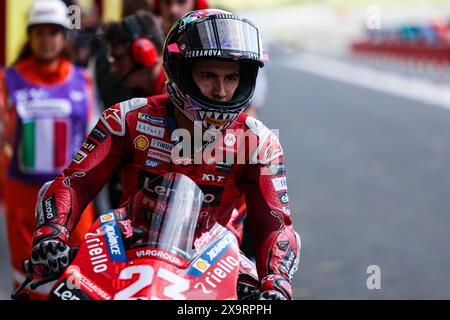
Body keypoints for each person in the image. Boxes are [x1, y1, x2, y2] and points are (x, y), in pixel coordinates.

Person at [29, 9, 300, 300]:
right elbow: (73, 182)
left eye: (231, 77)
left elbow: (277, 223)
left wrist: (276, 282)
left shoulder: (259, 141)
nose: (221, 91)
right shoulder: (125, 119)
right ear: (181, 70)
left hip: (220, 271)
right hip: (122, 257)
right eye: (208, 75)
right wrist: (52, 234)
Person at [0, 0, 97, 298]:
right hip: (23, 202)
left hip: (73, 203)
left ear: (64, 36)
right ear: (30, 36)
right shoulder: (8, 80)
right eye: (39, 32)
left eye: (53, 32)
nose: (46, 39)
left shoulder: (85, 80)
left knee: (76, 280)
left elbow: (99, 140)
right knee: (28, 280)